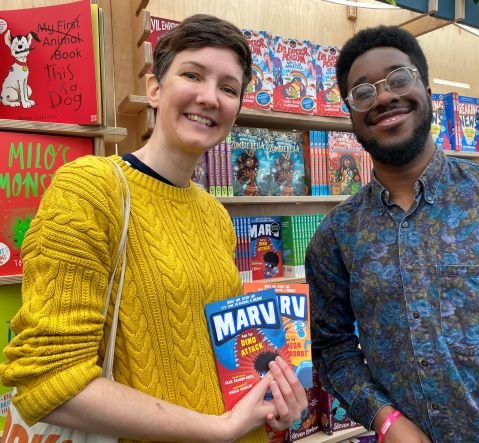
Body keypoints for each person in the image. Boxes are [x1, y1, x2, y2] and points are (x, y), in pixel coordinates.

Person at [0, 14, 307, 443]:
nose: (209, 97)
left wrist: (271, 401)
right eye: (192, 75)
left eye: (228, 88)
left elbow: (220, 358)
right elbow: (47, 381)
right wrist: (218, 429)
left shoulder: (215, 215)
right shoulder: (90, 189)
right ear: (155, 89)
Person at [305, 24, 479, 443]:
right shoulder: (336, 236)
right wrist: (385, 419)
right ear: (351, 115)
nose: (383, 97)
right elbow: (332, 349)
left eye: (398, 79)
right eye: (363, 92)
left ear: (427, 91)